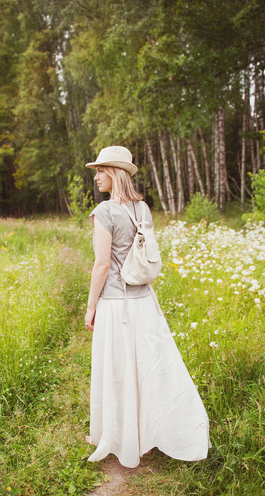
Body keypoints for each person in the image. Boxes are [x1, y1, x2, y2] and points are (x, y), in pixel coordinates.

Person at [84, 145, 211, 469]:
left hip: (116, 304)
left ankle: (118, 434)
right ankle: (148, 434)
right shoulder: (143, 209)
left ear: (113, 173)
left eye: (100, 171)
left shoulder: (104, 213)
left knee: (118, 371)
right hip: (143, 301)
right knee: (146, 370)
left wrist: (90, 307)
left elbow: (101, 265)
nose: (96, 177)